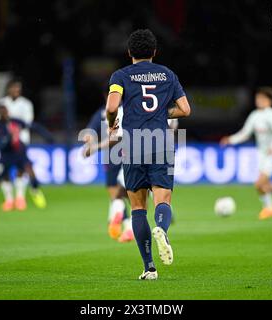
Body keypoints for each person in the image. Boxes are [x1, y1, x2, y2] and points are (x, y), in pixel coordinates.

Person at [106, 29, 191, 280]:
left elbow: (112, 106)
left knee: (138, 208)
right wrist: (162, 114)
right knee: (163, 200)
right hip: (162, 141)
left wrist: (112, 122)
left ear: (129, 52)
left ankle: (149, 267)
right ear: (154, 52)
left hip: (133, 143)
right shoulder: (167, 74)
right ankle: (162, 230)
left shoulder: (120, 75)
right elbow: (185, 109)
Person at [220, 87, 272, 220]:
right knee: (264, 185)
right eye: (258, 98)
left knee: (258, 183)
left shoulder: (271, 115)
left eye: (263, 99)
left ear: (269, 102)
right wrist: (230, 140)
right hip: (262, 154)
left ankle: (269, 208)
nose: (259, 101)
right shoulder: (255, 115)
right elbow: (245, 133)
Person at [0, 105, 46, 216]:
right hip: (6, 155)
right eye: (2, 112)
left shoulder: (15, 121)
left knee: (30, 170)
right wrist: (9, 137)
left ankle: (35, 191)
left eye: (5, 111)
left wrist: (45, 134)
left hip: (19, 152)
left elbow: (30, 126)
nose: (5, 114)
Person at [82, 105, 134, 243]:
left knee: (115, 193)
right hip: (130, 154)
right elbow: (118, 137)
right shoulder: (130, 109)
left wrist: (92, 145)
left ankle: (119, 214)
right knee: (135, 196)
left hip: (111, 156)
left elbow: (89, 132)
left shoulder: (102, 112)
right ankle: (129, 228)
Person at [0, 80, 34, 211]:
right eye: (14, 88)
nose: (16, 90)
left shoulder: (26, 104)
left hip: (21, 141)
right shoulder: (2, 104)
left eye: (18, 88)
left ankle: (20, 198)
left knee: (21, 169)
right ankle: (8, 200)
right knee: (4, 171)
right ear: (8, 89)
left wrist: (13, 129)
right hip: (5, 143)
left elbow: (27, 122)